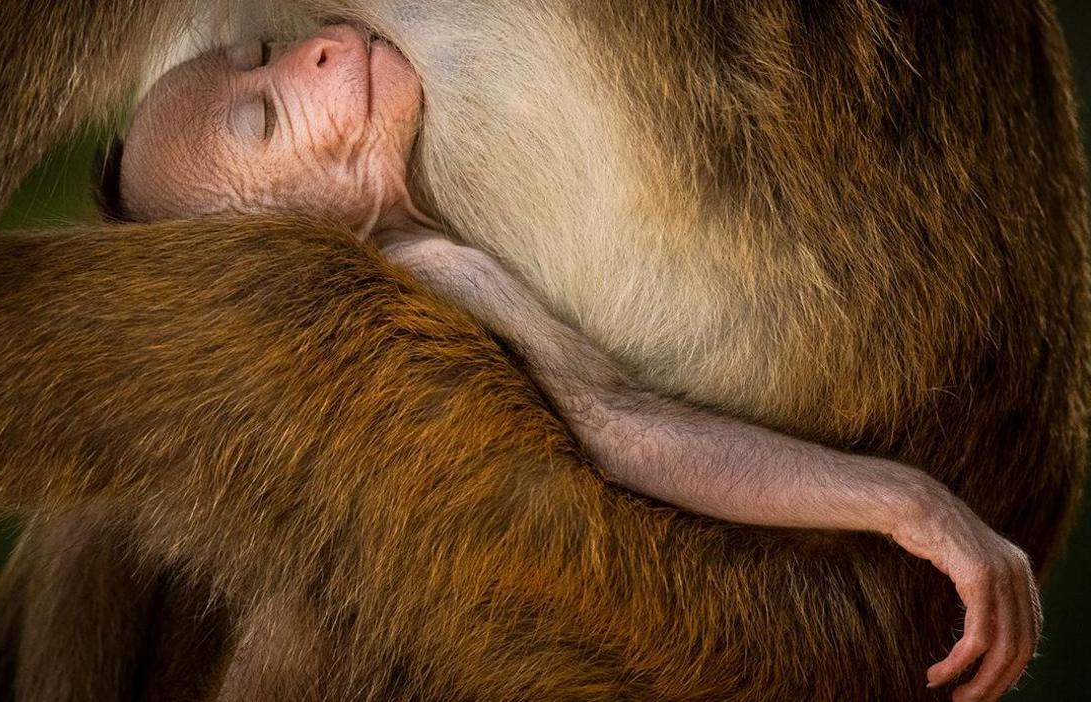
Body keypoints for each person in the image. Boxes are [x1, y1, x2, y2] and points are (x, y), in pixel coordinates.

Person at [106, 24, 1038, 689]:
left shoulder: (431, 235)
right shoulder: (428, 276)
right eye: (265, 120)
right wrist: (908, 504)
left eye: (259, 56)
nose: (307, 51)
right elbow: (625, 431)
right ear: (291, 251)